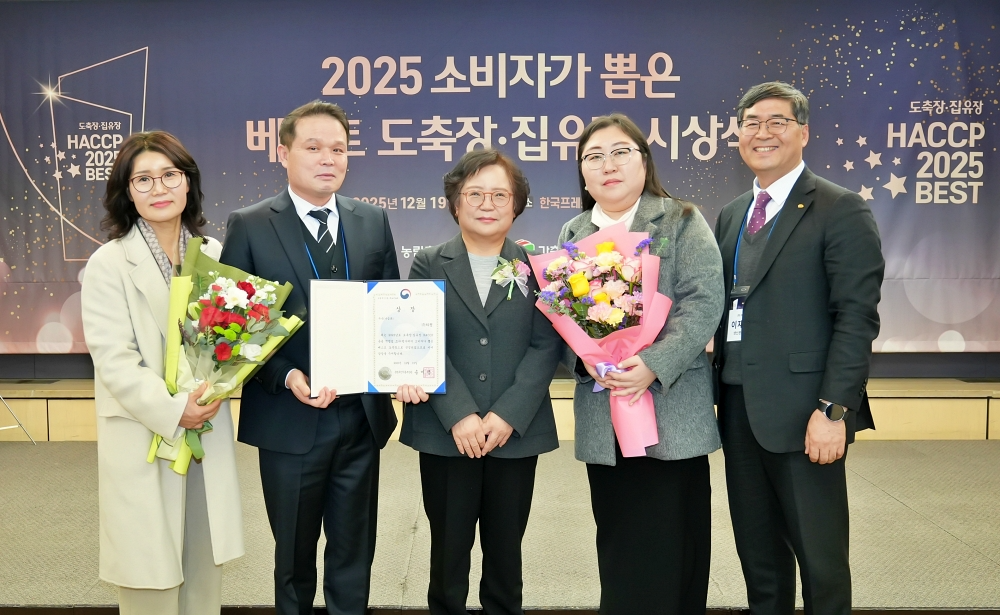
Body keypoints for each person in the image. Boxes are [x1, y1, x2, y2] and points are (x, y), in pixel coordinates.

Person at [219, 100, 399, 615]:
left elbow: (389, 307)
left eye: (338, 149)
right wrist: (287, 374)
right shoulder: (250, 225)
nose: (328, 158)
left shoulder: (372, 221)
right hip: (289, 419)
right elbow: (234, 327)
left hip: (359, 418)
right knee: (293, 560)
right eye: (313, 147)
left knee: (353, 554)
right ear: (284, 152)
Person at [713, 81, 884, 615]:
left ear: (803, 132)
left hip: (808, 413)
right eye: (751, 123)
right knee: (759, 557)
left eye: (776, 122)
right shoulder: (732, 213)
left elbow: (856, 318)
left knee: (821, 560)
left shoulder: (840, 208)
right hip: (738, 409)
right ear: (738, 135)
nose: (762, 133)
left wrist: (834, 409)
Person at [556, 114, 724, 615]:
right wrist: (590, 364)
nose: (607, 165)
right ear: (583, 174)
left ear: (643, 162)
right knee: (619, 533)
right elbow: (561, 310)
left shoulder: (680, 219)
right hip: (605, 409)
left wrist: (652, 362)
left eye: (620, 152)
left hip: (671, 410)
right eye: (593, 157)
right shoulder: (574, 229)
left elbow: (702, 301)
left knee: (674, 535)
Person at [81, 131, 244, 615]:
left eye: (169, 175)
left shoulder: (213, 253)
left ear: (188, 182)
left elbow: (231, 339)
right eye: (143, 179)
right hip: (145, 432)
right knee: (148, 575)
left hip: (205, 432)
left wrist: (217, 389)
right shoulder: (109, 263)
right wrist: (177, 410)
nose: (159, 188)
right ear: (127, 192)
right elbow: (114, 360)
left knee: (202, 567)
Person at [396, 149, 563, 615]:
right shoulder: (430, 262)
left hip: (514, 434)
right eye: (475, 193)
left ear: (517, 205)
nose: (487, 204)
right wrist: (460, 415)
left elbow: (544, 346)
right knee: (447, 558)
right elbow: (424, 339)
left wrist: (508, 414)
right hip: (447, 433)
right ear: (455, 203)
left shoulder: (538, 267)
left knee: (506, 558)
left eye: (499, 195)